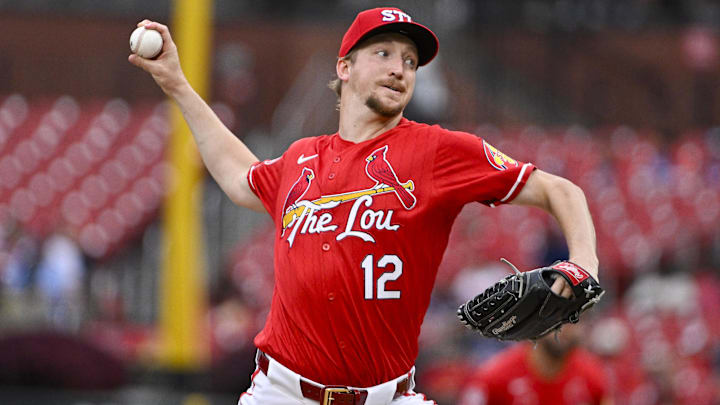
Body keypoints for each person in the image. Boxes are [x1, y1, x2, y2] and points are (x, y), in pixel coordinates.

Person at [129, 7, 600, 405]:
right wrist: (177, 85)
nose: (400, 68)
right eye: (384, 54)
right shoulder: (301, 158)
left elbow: (560, 190)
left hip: (388, 395)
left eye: (411, 62)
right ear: (344, 67)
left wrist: (584, 264)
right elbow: (238, 178)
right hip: (281, 392)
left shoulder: (436, 151)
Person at [457, 323, 612, 405]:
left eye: (574, 320)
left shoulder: (593, 376)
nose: (565, 329)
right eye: (556, 318)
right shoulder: (493, 379)